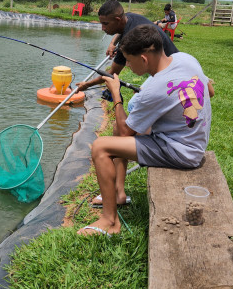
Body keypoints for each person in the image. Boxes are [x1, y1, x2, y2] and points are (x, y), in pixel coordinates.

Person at [77, 24, 212, 237]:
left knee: (100, 147)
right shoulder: (185, 59)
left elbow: (125, 132)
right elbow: (210, 89)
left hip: (181, 152)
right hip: (194, 140)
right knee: (119, 127)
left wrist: (116, 95)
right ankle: (119, 193)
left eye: (129, 61)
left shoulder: (153, 89)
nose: (128, 66)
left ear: (144, 59)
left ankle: (109, 221)